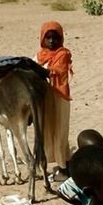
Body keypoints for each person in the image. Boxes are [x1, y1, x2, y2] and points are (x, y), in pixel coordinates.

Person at [37, 21, 73, 177]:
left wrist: (39, 69)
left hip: (59, 97)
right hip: (45, 98)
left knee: (59, 131)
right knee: (46, 130)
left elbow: (53, 71)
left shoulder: (63, 54)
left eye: (55, 38)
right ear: (42, 38)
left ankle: (64, 167)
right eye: (48, 38)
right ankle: (50, 162)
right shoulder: (40, 55)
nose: (52, 42)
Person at [58, 129, 103, 205]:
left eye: (101, 152)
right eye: (94, 154)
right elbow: (61, 192)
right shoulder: (80, 176)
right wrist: (81, 204)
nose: (99, 157)